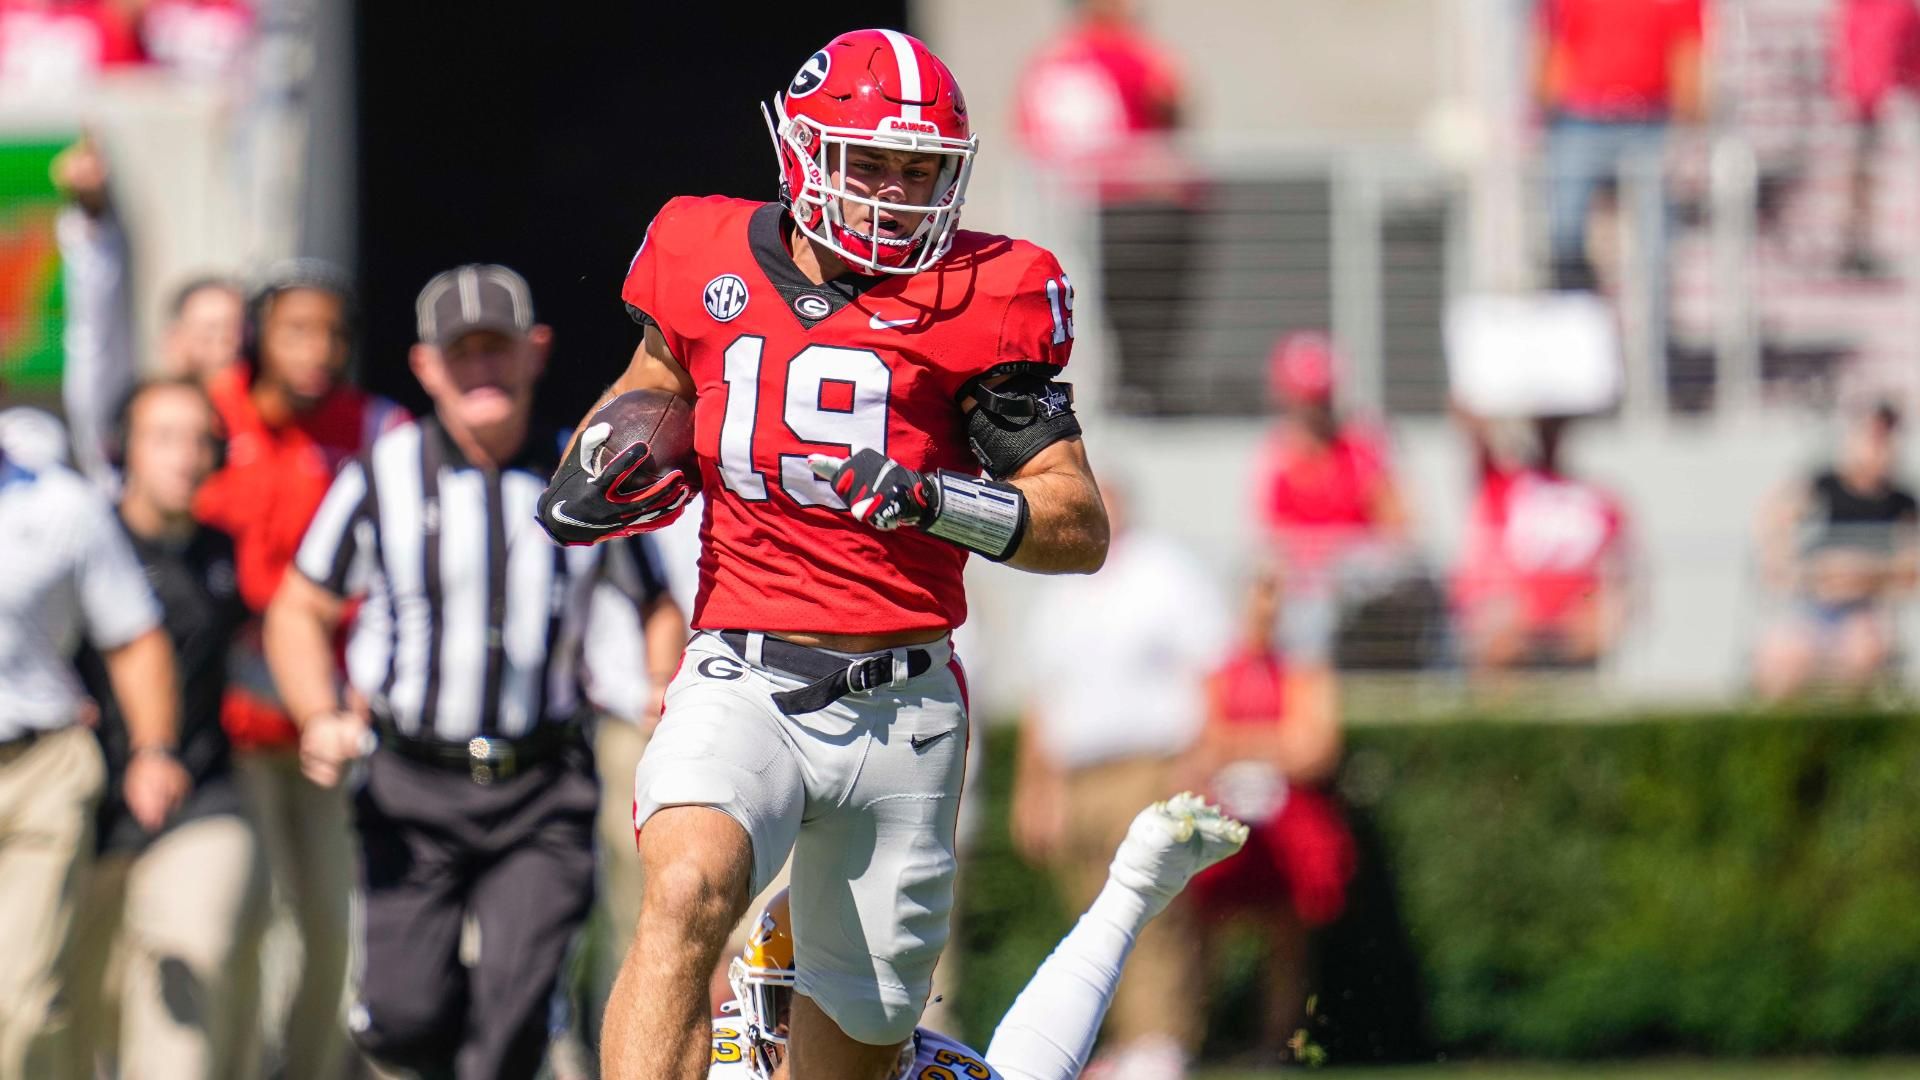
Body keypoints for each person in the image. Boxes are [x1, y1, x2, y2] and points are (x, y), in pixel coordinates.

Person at [535, 29, 1109, 1080]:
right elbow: (652, 381)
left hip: (906, 702)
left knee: (855, 1040)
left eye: (920, 169)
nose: (896, 192)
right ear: (803, 154)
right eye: (872, 163)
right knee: (684, 889)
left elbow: (1075, 525)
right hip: (740, 668)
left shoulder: (988, 292)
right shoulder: (700, 250)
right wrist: (610, 446)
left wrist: (942, 502)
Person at [267, 264, 680, 1078]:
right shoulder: (380, 477)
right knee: (402, 1017)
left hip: (540, 786)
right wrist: (317, 713)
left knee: (512, 1022)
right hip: (410, 784)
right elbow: (298, 608)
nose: (480, 372)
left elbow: (656, 600)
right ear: (425, 367)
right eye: (462, 356)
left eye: (497, 352)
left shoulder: (585, 475)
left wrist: (661, 686)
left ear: (536, 354)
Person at [194, 257, 406, 1080]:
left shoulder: (377, 429)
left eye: (333, 334)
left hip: (330, 726)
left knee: (332, 927)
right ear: (258, 336)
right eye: (296, 331)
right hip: (230, 733)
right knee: (241, 923)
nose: (317, 351)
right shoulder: (212, 420)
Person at [709, 795, 1248, 1080]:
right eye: (792, 1003)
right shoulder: (715, 1061)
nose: (814, 1024)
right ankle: (1132, 891)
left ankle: (1132, 892)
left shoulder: (934, 1067)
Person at [65, 377, 267, 1078]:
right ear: (123, 449)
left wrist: (330, 704)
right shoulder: (82, 536)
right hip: (81, 815)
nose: (185, 456)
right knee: (73, 1015)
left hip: (198, 800)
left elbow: (253, 660)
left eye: (200, 440)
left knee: (191, 958)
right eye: (164, 438)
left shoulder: (222, 553)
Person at [1010, 484, 1225, 1078]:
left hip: (1147, 763)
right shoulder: (1061, 586)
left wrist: (1200, 761)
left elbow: (1210, 669)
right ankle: (1124, 1042)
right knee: (1090, 918)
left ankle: (1160, 1043)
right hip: (1079, 776)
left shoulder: (1165, 573)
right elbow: (1043, 699)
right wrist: (1037, 789)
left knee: (1150, 911)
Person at [0, 428, 180, 1080]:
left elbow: (133, 636)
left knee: (20, 1001)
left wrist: (154, 749)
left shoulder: (62, 504)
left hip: (40, 767)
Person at [1180, 568, 1353, 1065]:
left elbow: (1316, 748)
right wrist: (1276, 741)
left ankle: (1277, 1042)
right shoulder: (1216, 673)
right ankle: (1200, 1037)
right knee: (1205, 934)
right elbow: (1204, 746)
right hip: (1229, 817)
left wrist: (1242, 743)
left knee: (1287, 938)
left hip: (1288, 820)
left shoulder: (1303, 672)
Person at [1014, 0, 1190, 410]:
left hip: (1070, 209)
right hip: (1131, 208)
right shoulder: (1128, 52)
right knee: (1145, 326)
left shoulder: (1048, 62)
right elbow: (1174, 91)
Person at [1253, 332, 1413, 663]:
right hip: (1302, 584)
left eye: (1319, 399)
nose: (1312, 410)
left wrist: (1338, 558)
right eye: (1303, 400)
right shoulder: (1276, 457)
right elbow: (1271, 541)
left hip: (1359, 582)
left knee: (1320, 612)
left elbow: (1399, 527)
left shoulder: (1362, 445)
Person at [1534, 0, 1704, 291]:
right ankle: (1575, 315)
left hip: (1649, 120)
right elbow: (1554, 46)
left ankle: (1651, 327)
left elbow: (1687, 51)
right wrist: (1547, 111)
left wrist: (1691, 119)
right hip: (1582, 118)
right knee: (1565, 231)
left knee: (1656, 239)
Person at [1754, 402, 1919, 699]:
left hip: (1865, 608)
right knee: (1780, 656)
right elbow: (1774, 516)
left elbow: (1910, 569)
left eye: (1884, 439)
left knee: (1862, 653)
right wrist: (1792, 567)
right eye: (1870, 436)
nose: (1877, 446)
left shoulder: (1901, 502)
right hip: (1813, 602)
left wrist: (1864, 571)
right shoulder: (1824, 485)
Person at [1452, 410, 1631, 672]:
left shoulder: (1598, 500)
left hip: (1571, 627)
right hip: (1511, 619)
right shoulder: (1504, 485)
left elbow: (1610, 580)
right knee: (1496, 626)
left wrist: (1584, 605)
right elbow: (1474, 429)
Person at [1832, 0, 1920, 277]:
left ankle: (1859, 242)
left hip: (1873, 98)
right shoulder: (1871, 9)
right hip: (1868, 101)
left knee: (1865, 169)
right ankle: (1857, 243)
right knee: (1864, 170)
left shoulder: (1892, 9)